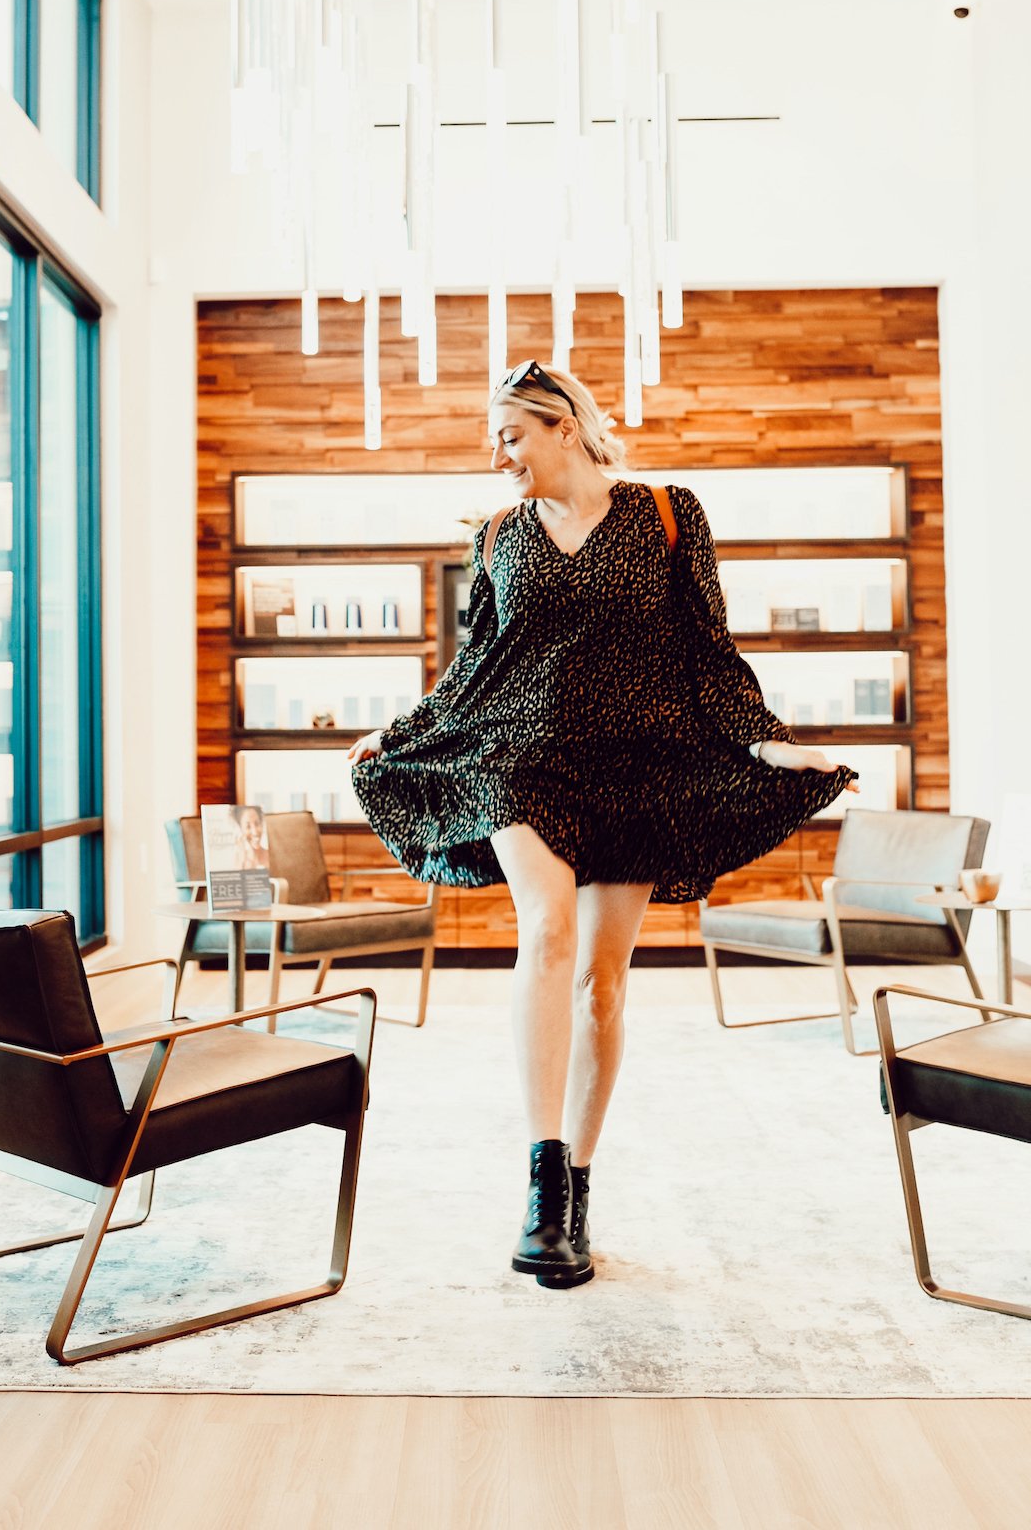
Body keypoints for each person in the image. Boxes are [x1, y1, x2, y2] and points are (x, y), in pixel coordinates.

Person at [349, 359, 858, 1290]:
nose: (498, 456)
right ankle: (542, 1184)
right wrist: (403, 730)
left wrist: (767, 745)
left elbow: (709, 647)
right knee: (545, 930)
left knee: (600, 983)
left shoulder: (669, 512)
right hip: (522, 759)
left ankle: (579, 1181)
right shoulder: (500, 534)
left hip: (638, 764)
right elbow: (476, 669)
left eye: (510, 436)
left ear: (563, 428)